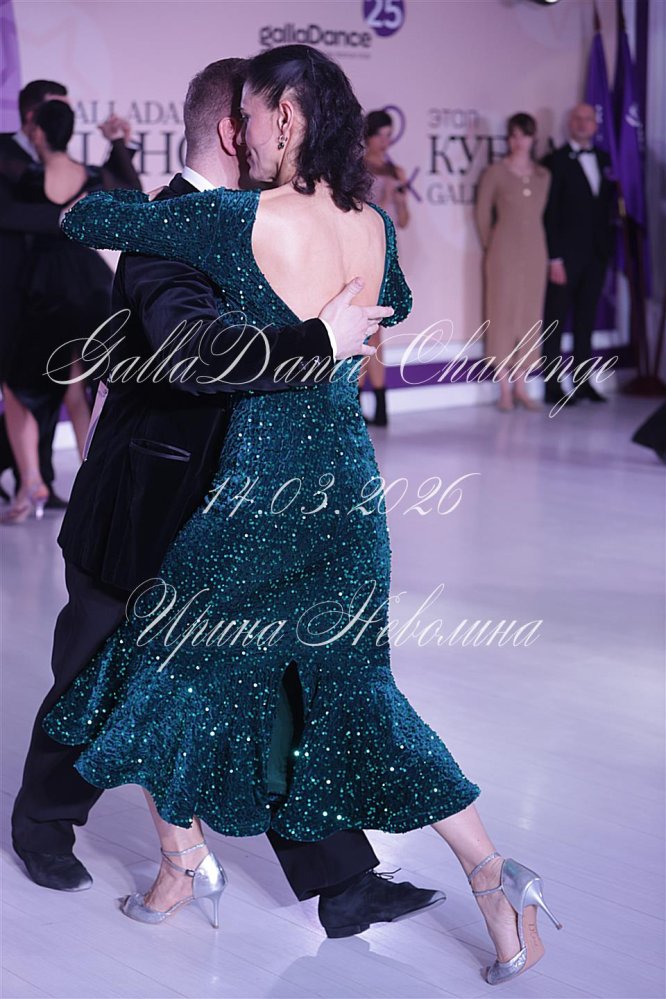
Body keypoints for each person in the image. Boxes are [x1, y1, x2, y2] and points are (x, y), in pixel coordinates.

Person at [45, 46, 561, 985]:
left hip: (261, 495)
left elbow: (85, 217)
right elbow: (393, 301)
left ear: (285, 116)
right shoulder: (375, 226)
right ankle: (497, 878)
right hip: (349, 499)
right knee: (361, 696)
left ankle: (179, 865)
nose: (242, 135)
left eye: (251, 114)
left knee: (156, 667)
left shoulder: (236, 220)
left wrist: (107, 176)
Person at [11, 58, 444, 941]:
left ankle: (343, 880)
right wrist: (317, 337)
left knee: (277, 679)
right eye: (261, 117)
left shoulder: (269, 218)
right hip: (147, 504)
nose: (278, 132)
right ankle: (42, 823)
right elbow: (192, 353)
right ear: (232, 130)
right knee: (91, 666)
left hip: (242, 510)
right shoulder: (175, 225)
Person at [0, 79, 141, 509]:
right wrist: (116, 147)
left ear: (38, 130)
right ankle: (89, 483)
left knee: (25, 387)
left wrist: (59, 216)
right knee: (80, 386)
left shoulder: (28, 176)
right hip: (88, 285)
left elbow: (11, 210)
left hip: (43, 290)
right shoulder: (87, 176)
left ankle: (34, 483)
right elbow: (128, 189)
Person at [541, 102, 616, 406]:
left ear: (595, 125)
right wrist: (554, 258)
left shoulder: (604, 159)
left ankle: (583, 382)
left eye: (588, 119)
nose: (583, 124)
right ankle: (552, 386)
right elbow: (549, 214)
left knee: (586, 320)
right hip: (565, 257)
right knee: (555, 321)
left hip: (596, 255)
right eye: (578, 119)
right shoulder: (555, 161)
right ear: (569, 124)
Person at [475, 113, 550, 412]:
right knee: (502, 313)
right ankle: (504, 389)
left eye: (524, 135)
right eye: (514, 135)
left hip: (535, 251)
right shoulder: (496, 172)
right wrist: (492, 244)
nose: (519, 141)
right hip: (503, 251)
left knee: (529, 315)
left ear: (533, 138)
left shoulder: (544, 176)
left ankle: (522, 386)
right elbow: (482, 213)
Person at [361, 109, 410, 427]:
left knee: (375, 329)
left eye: (389, 135)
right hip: (364, 249)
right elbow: (360, 213)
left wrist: (399, 197)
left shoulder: (395, 169)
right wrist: (386, 196)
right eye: (380, 134)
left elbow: (404, 220)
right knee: (367, 328)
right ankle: (370, 402)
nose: (385, 141)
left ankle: (376, 403)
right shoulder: (356, 168)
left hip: (386, 252)